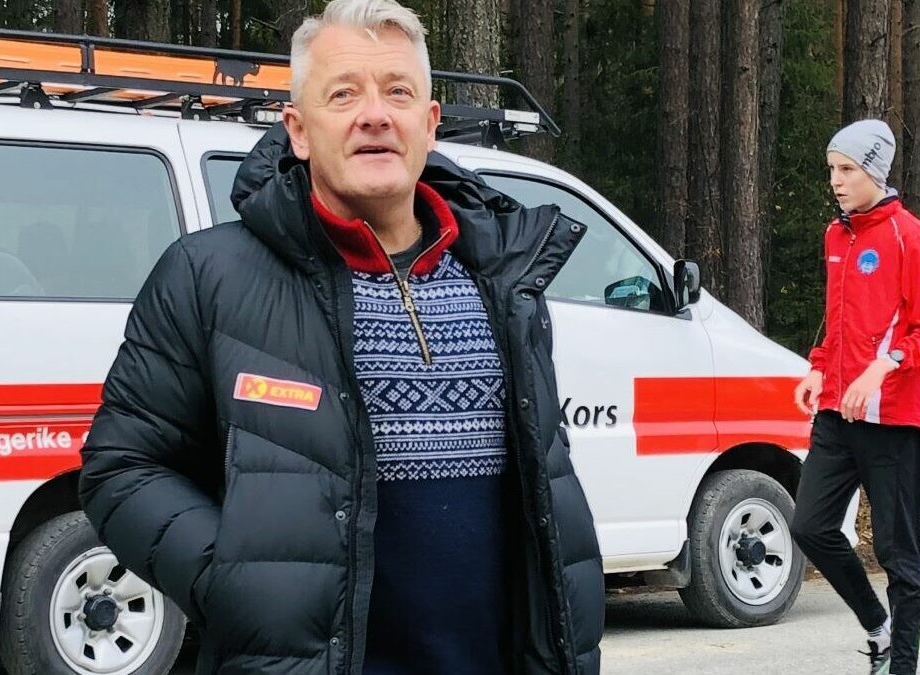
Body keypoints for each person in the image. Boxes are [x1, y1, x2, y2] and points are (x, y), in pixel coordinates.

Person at [77, 0, 605, 673]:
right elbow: (121, 468)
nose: (375, 114)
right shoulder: (207, 277)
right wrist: (230, 578)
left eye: (398, 92)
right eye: (344, 93)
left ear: (429, 124)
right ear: (298, 130)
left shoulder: (506, 280)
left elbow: (542, 481)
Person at [791, 119, 920, 675]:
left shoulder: (910, 235)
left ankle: (902, 667)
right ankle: (877, 627)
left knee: (897, 554)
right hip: (837, 413)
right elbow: (839, 322)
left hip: (894, 418)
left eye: (847, 169)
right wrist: (819, 369)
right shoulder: (836, 235)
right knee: (809, 526)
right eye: (831, 170)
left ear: (874, 172)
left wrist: (882, 369)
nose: (836, 181)